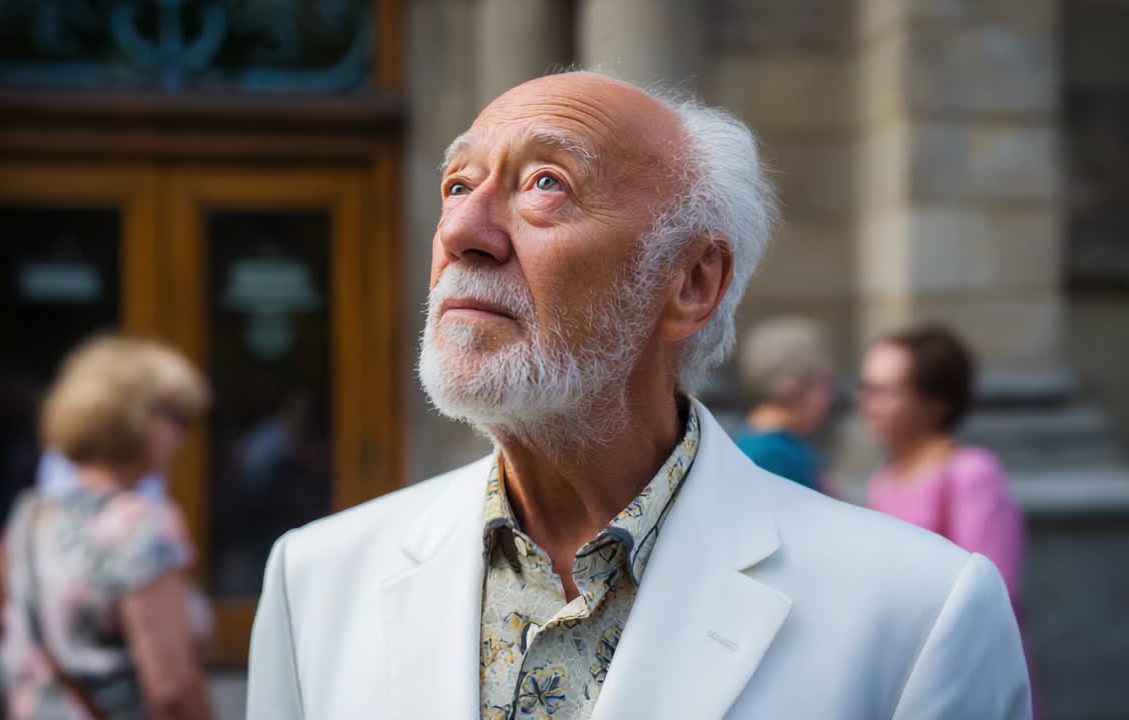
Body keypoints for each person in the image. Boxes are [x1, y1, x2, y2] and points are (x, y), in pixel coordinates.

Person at [246, 71, 1030, 719]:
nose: (463, 231)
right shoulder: (314, 578)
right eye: (457, 184)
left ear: (691, 282)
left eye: (545, 184)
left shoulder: (920, 611)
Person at [0, 336, 214, 719]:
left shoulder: (30, 514)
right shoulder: (142, 523)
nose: (184, 437)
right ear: (137, 419)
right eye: (177, 418)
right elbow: (172, 688)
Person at [861, 326, 1027, 620]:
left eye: (883, 392)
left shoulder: (973, 474)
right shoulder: (884, 478)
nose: (866, 404)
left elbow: (989, 594)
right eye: (865, 388)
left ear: (935, 405)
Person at [735, 316, 834, 492]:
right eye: (823, 381)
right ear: (797, 384)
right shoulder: (774, 455)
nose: (828, 396)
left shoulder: (746, 443)